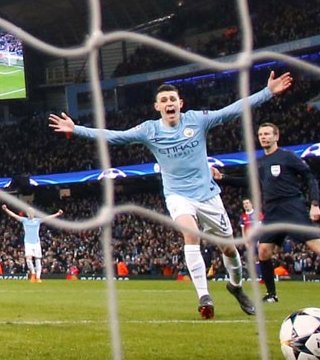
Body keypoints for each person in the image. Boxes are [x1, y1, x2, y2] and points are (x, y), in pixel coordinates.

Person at [48, 71, 293, 319]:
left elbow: (232, 110)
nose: (169, 103)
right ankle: (204, 296)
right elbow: (115, 136)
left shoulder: (197, 120)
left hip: (208, 195)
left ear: (180, 103)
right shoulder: (149, 130)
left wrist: (267, 92)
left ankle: (236, 287)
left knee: (229, 249)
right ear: (157, 106)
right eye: (164, 100)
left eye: (172, 99)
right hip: (178, 195)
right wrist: (76, 128)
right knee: (190, 234)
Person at [215, 122, 320, 304]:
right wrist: (223, 178)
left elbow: (310, 177)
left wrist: (315, 203)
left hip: (292, 207)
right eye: (261, 134)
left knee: (318, 247)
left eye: (268, 134)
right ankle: (271, 294)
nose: (264, 137)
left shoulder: (288, 157)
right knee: (263, 252)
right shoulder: (259, 162)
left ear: (276, 137)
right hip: (272, 211)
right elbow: (248, 182)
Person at [2, 204, 63, 283]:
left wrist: (57, 214)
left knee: (38, 260)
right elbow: (14, 215)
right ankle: (33, 274)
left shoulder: (37, 220)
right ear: (27, 213)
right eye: (29, 212)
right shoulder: (24, 220)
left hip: (36, 242)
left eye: (31, 212)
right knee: (28, 259)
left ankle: (38, 277)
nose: (30, 214)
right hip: (28, 242)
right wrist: (6, 209)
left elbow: (48, 218)